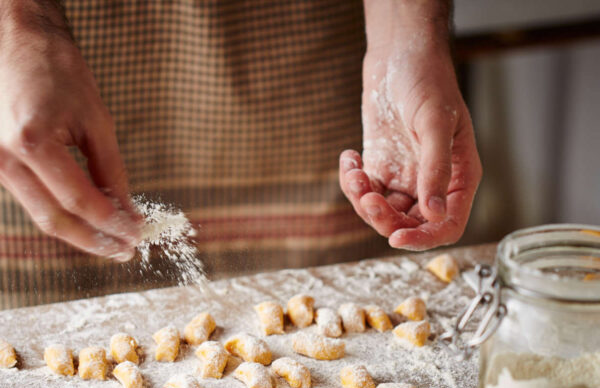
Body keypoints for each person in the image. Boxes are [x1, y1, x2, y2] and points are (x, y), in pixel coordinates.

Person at [0, 0, 481, 309]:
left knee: (333, 305)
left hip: (289, 52)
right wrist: (20, 27)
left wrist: (405, 38)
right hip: (52, 54)